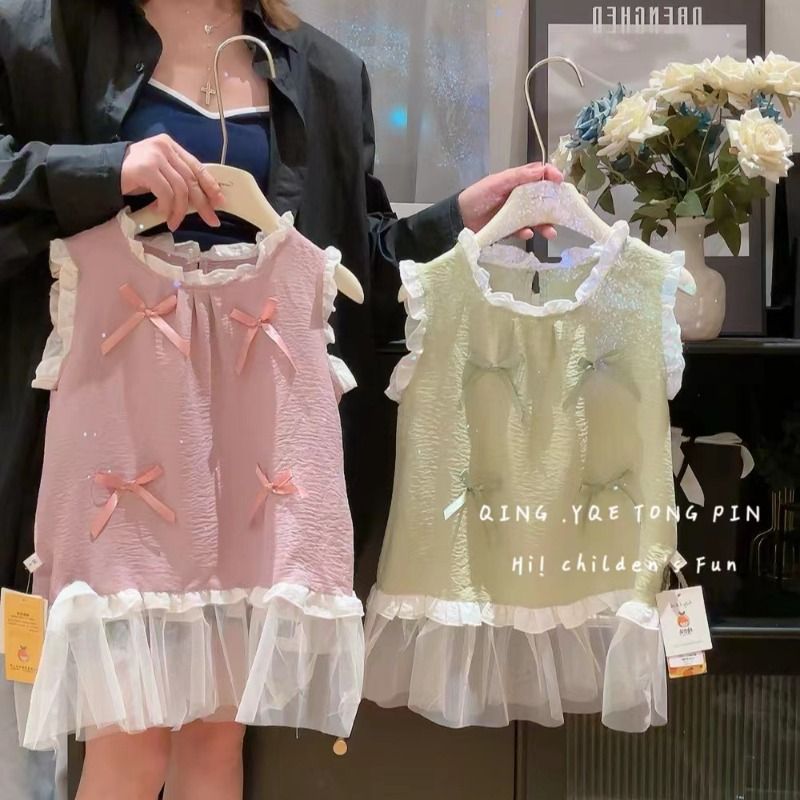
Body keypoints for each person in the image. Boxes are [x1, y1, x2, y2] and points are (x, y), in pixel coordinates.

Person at [0, 1, 562, 797]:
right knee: (129, 740)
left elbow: (352, 263)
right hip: (111, 418)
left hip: (251, 431)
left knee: (215, 739)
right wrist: (107, 170)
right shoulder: (40, 36)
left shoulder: (324, 73)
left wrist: (457, 221)